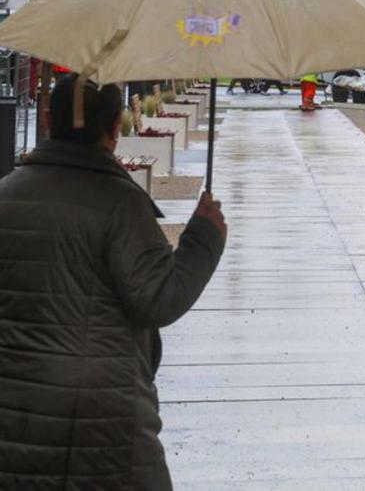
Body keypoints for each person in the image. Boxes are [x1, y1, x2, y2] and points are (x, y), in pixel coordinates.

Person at [0, 74, 227, 489]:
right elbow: (158, 299)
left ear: (49, 120)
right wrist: (204, 239)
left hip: (17, 408)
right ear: (113, 132)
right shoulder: (121, 203)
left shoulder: (6, 194)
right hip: (105, 414)